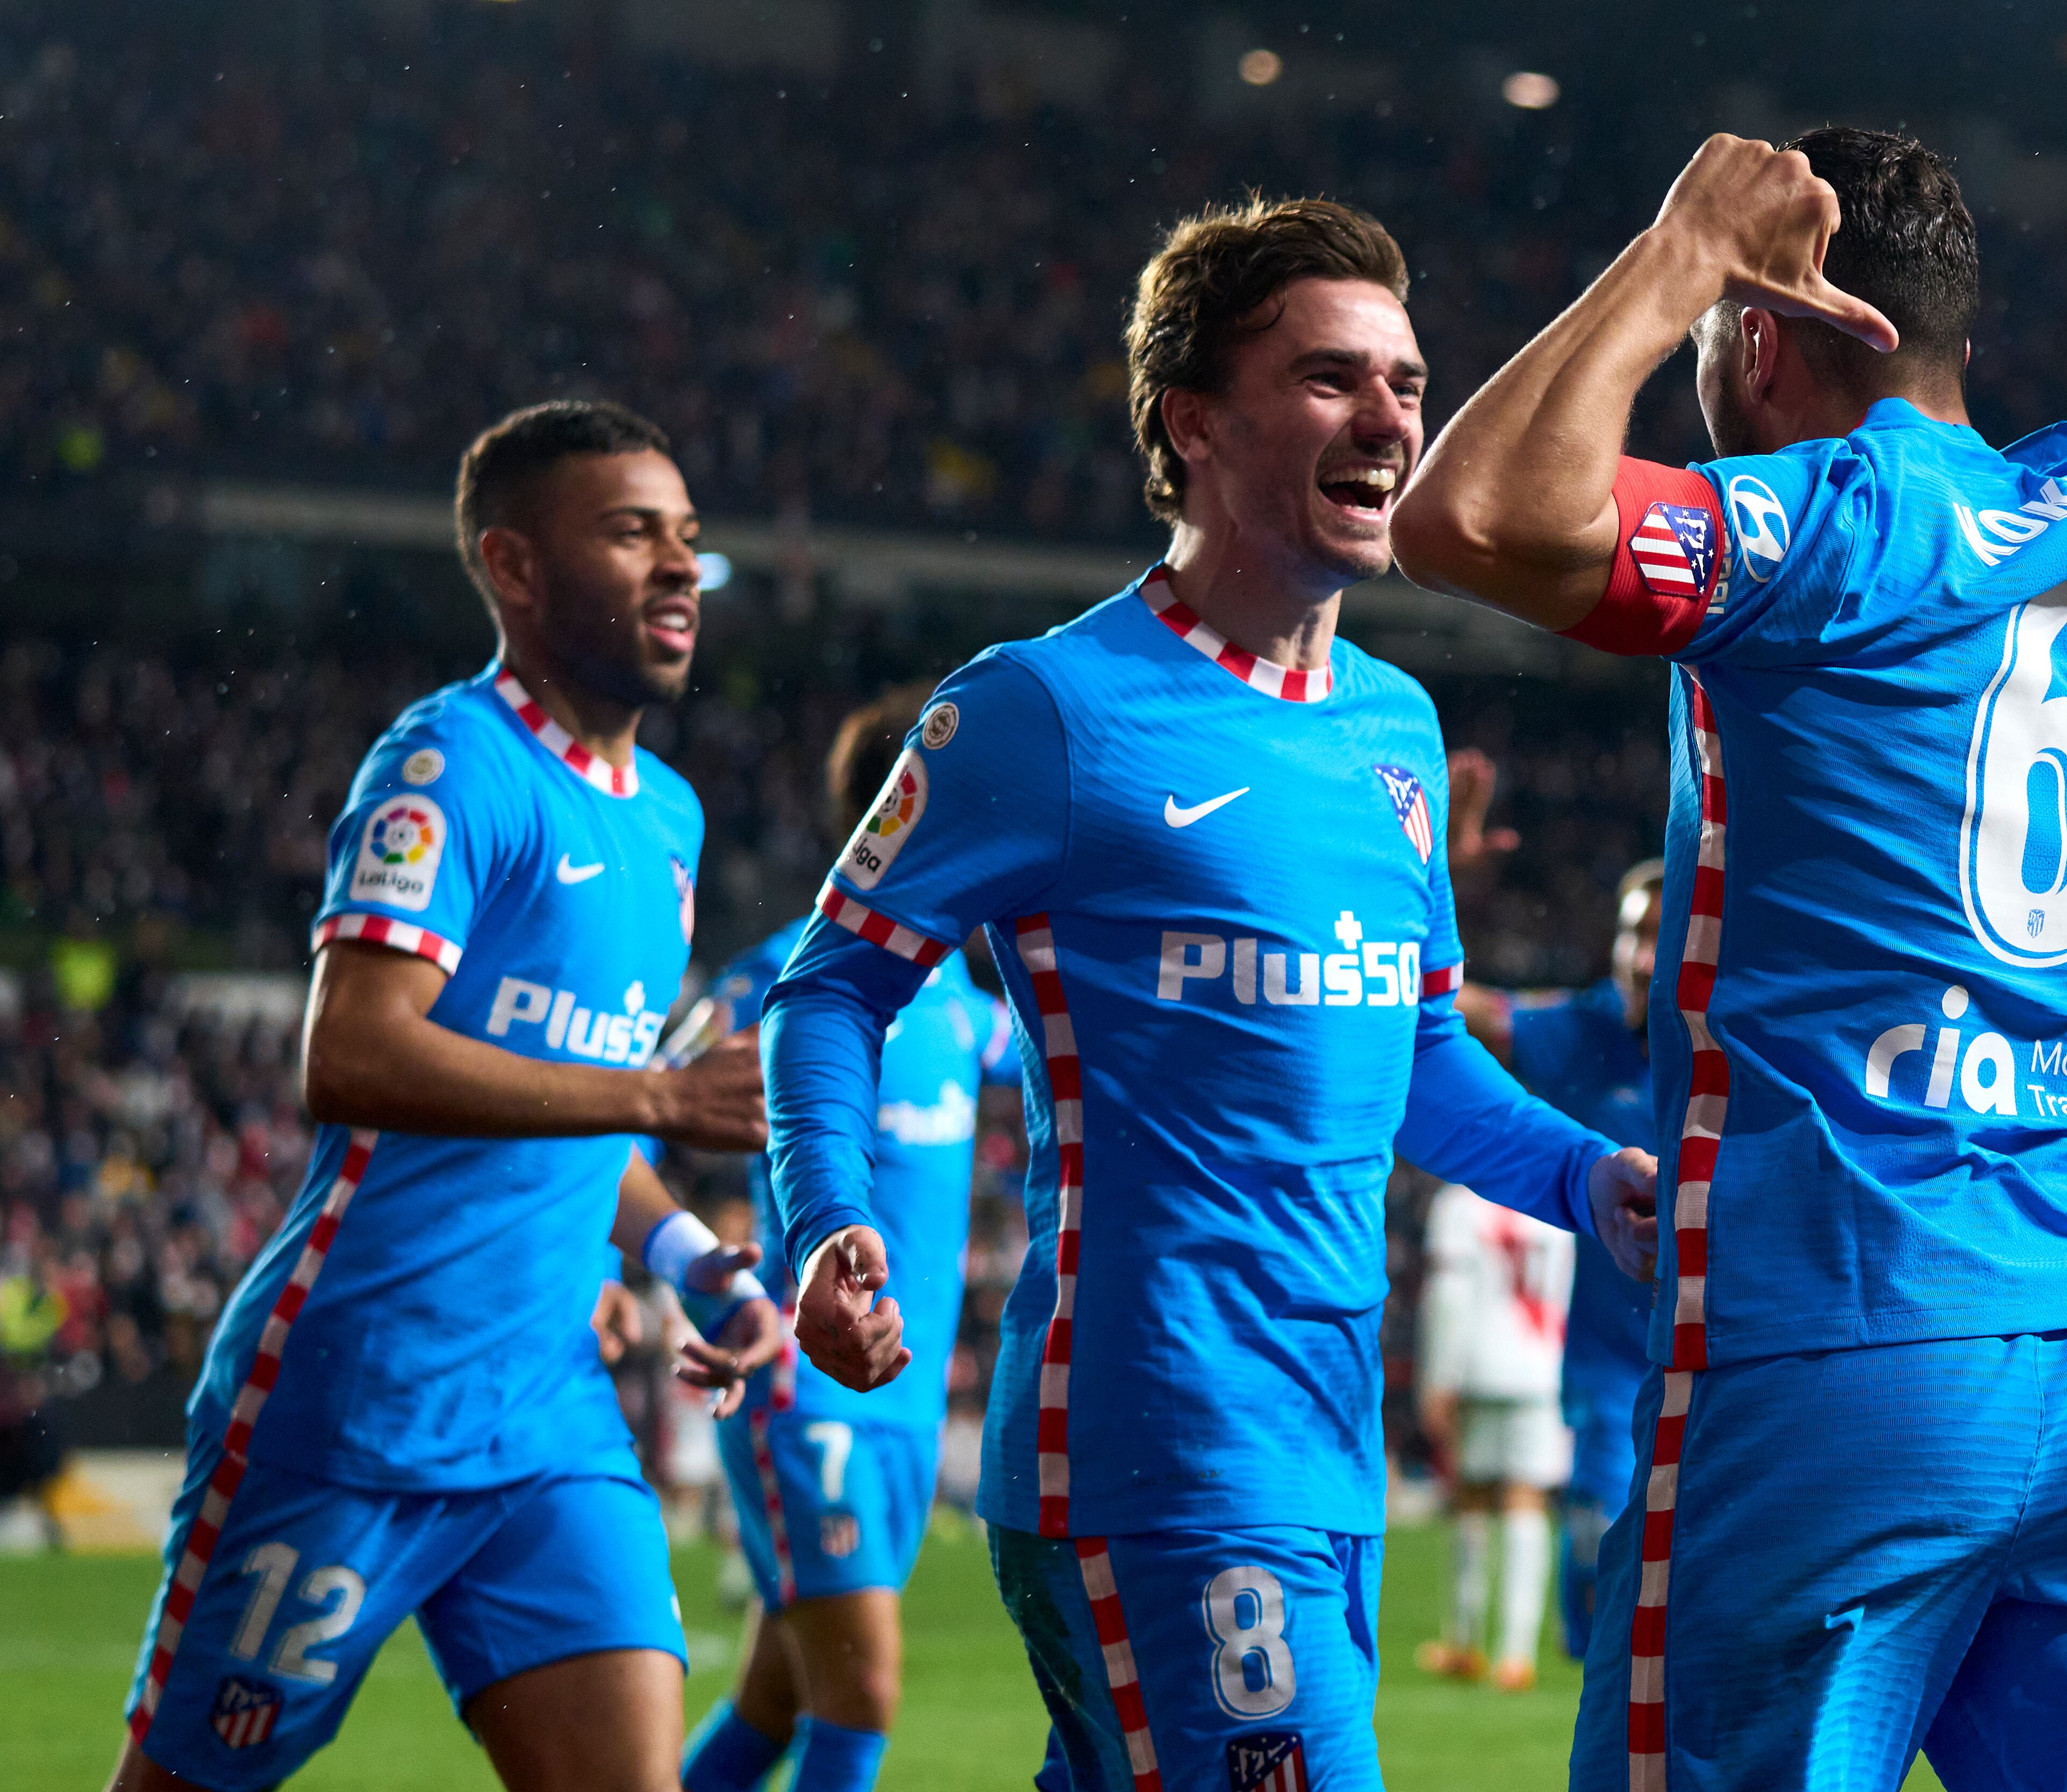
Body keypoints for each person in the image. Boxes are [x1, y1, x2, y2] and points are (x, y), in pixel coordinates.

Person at [1392, 130, 2067, 1791]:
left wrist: (1670, 252)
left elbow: (1466, 519)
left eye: (1720, 324)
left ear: (1761, 331)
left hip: (1829, 1344)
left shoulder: (1819, 520)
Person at [761, 196, 1657, 1792]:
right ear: (1191, 423)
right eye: (1331, 378)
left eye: (1404, 378)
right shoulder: (1042, 711)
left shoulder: (1394, 731)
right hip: (1154, 1440)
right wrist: (824, 1213)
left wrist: (1590, 1180)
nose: (1391, 416)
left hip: (1325, 1449)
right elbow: (829, 986)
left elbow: (1421, 1062)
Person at [110, 401, 782, 1792]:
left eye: (688, 539)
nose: (676, 567)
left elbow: (578, 1116)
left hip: (546, 1410)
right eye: (630, 531)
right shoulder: (449, 762)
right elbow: (350, 1051)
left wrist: (695, 1257)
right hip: (355, 1401)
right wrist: (658, 1088)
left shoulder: (668, 816)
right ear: (515, 569)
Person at [680, 688, 1018, 1792]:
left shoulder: (970, 1004)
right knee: (862, 1694)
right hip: (804, 1386)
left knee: (775, 1703)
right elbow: (625, 1118)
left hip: (905, 1403)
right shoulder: (777, 980)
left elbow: (1125, 1038)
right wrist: (662, 1270)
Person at [1451, 854, 1661, 1663]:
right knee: (1603, 1573)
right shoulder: (1586, 1027)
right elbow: (1461, 1013)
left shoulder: (1745, 1038)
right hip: (1613, 1365)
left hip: (1730, 1353)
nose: (1641, 958)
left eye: (1659, 935)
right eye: (1629, 935)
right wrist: (1445, 888)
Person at [1413, 1180, 1575, 1692]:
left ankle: (1464, 1641)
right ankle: (1516, 1654)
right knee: (1527, 1500)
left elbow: (1449, 1297)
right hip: (1543, 1365)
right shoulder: (1552, 1200)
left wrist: (1437, 1376)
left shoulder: (1460, 1204)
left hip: (1479, 1365)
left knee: (1472, 1498)